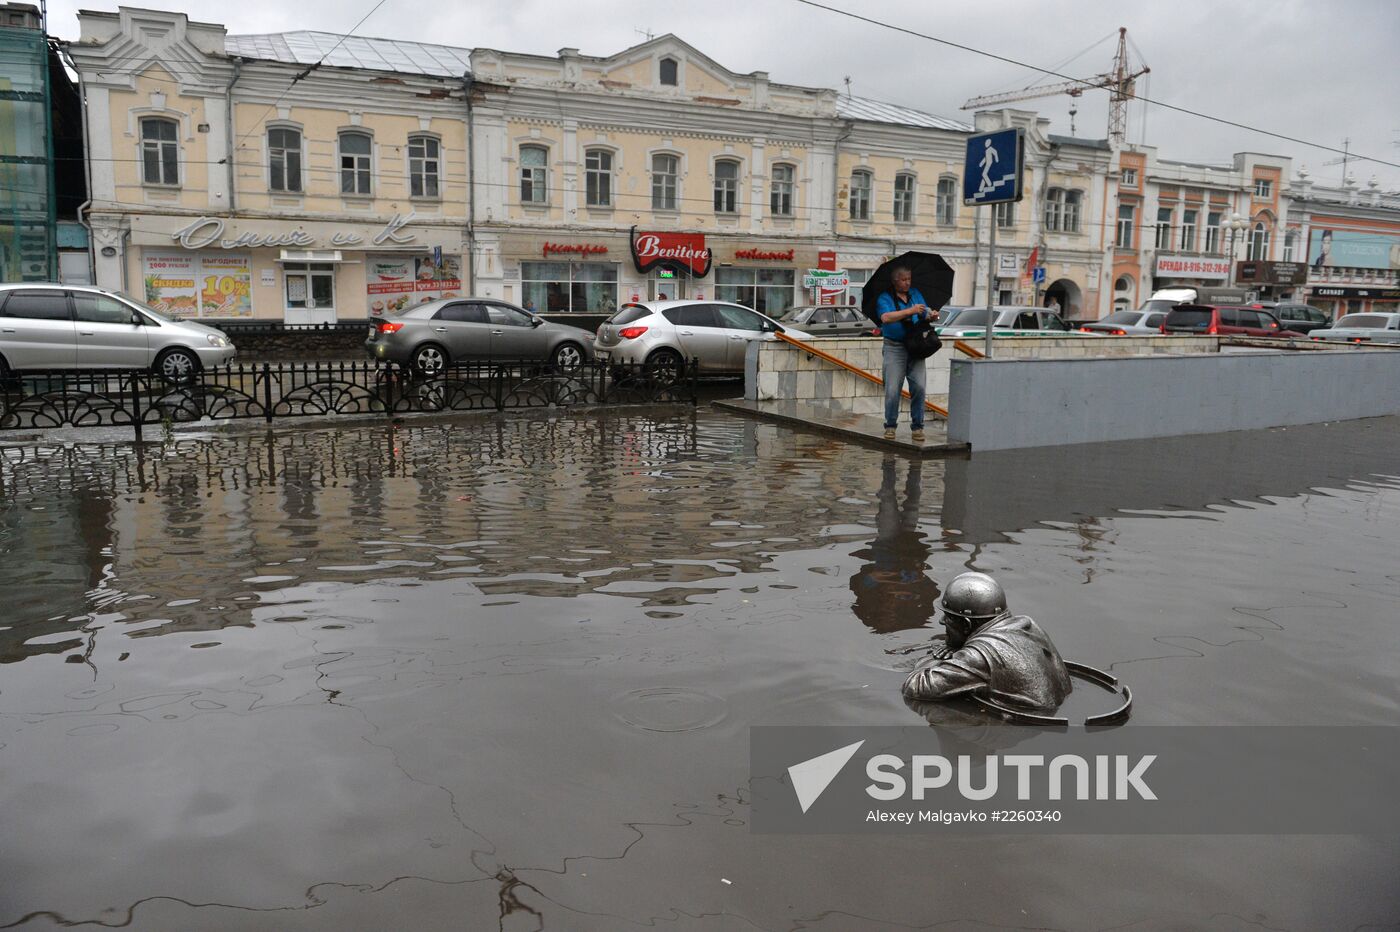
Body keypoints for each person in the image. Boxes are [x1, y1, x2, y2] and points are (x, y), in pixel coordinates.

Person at [902, 571, 1072, 714]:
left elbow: (915, 689)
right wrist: (958, 645)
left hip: (1024, 721)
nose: (942, 621)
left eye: (949, 617)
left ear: (967, 624)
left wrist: (933, 659)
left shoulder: (977, 655)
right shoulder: (1027, 624)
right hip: (1055, 707)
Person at [849, 458, 939, 633]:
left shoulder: (869, 601)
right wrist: (913, 577)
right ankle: (915, 467)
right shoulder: (915, 611)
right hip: (911, 549)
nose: (889, 610)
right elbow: (930, 586)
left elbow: (861, 579)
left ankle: (889, 465)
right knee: (912, 502)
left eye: (885, 614)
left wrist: (882, 577)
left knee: (889, 500)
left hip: (886, 547)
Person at [876, 266, 937, 442]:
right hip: (894, 347)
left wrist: (931, 315)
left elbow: (924, 312)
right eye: (904, 279)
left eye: (909, 279)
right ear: (895, 281)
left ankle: (918, 427)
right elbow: (886, 318)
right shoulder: (885, 297)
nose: (908, 282)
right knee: (893, 388)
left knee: (919, 386)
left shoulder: (915, 294)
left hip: (916, 346)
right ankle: (890, 426)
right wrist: (910, 311)